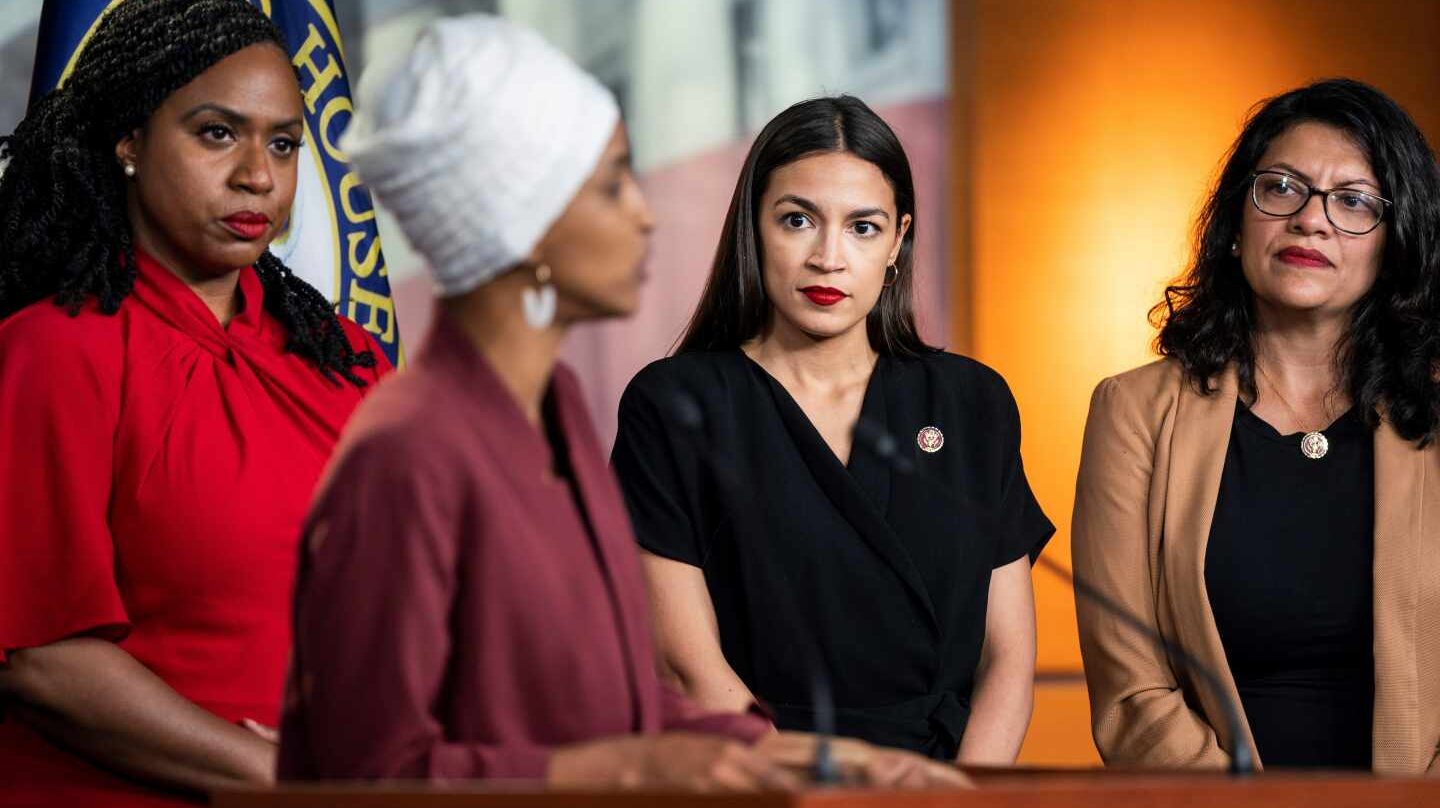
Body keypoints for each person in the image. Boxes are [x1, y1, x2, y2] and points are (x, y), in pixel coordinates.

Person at [276, 16, 966, 791]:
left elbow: (619, 705)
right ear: (523, 220)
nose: (645, 212)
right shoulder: (407, 451)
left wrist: (808, 758)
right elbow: (363, 777)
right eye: (612, 183)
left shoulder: (557, 407)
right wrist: (635, 767)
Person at [0, 1, 390, 805]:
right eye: (218, 133)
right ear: (129, 141)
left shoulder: (353, 362)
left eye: (283, 142)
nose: (259, 174)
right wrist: (265, 771)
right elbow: (34, 655)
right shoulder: (53, 353)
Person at [610, 95, 1052, 764]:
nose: (829, 257)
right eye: (797, 221)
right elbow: (689, 671)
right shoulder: (675, 405)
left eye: (863, 228)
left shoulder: (970, 402)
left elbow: (1008, 659)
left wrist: (963, 798)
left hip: (943, 789)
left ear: (898, 241)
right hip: (761, 781)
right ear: (753, 229)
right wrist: (822, 788)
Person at [1072, 78, 1440, 774]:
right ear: (1235, 224)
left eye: (1354, 201)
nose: (1312, 220)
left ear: (1395, 246)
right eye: (1282, 188)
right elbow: (1131, 693)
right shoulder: (1133, 414)